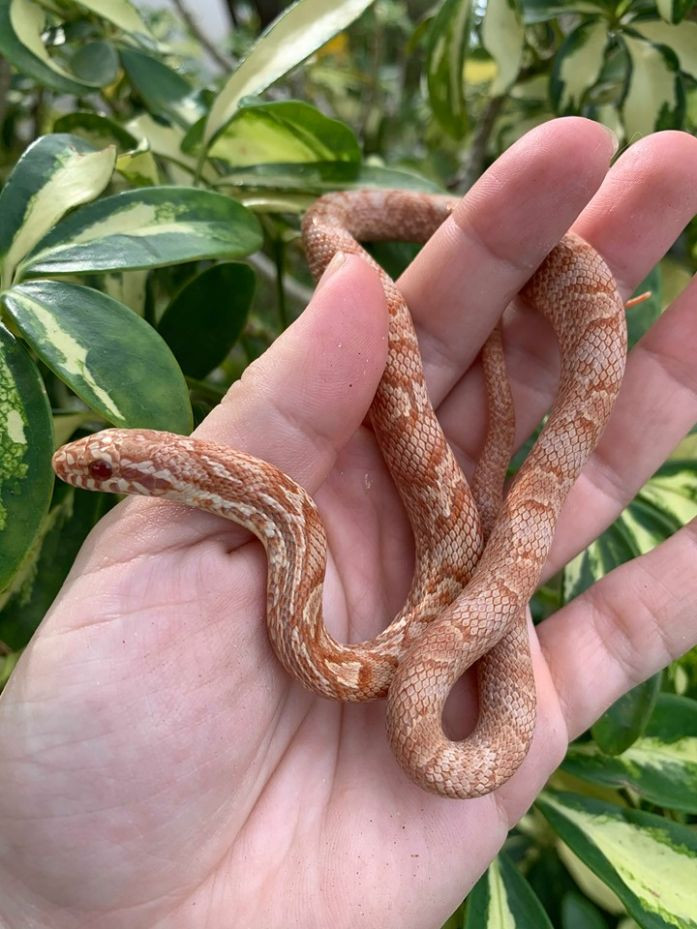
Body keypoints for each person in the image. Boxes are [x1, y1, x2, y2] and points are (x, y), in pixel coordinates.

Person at [0, 117, 696, 929]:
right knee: (352, 255)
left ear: (163, 467)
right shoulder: (272, 514)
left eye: (104, 464)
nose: (89, 468)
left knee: (358, 247)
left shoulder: (270, 501)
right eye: (102, 466)